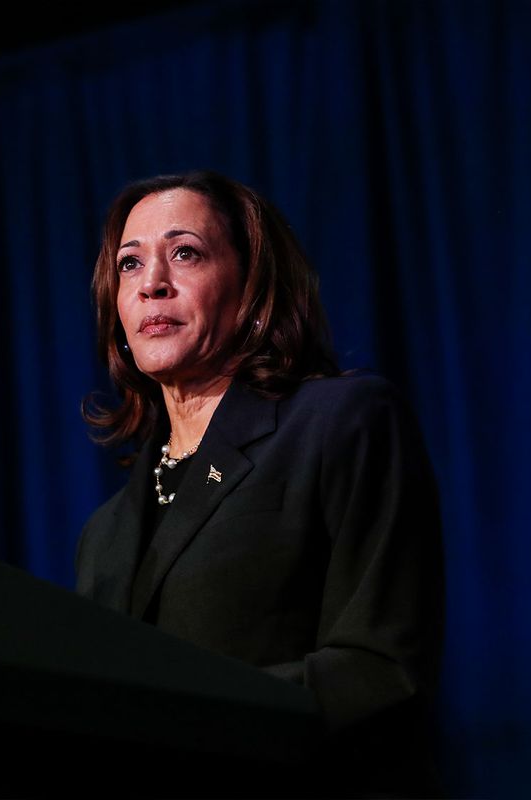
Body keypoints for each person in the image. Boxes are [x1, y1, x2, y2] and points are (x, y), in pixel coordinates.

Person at [75, 170, 446, 797]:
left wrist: (184, 718)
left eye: (185, 252)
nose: (152, 284)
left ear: (251, 284)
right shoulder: (104, 533)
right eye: (130, 265)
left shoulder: (341, 424)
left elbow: (381, 672)